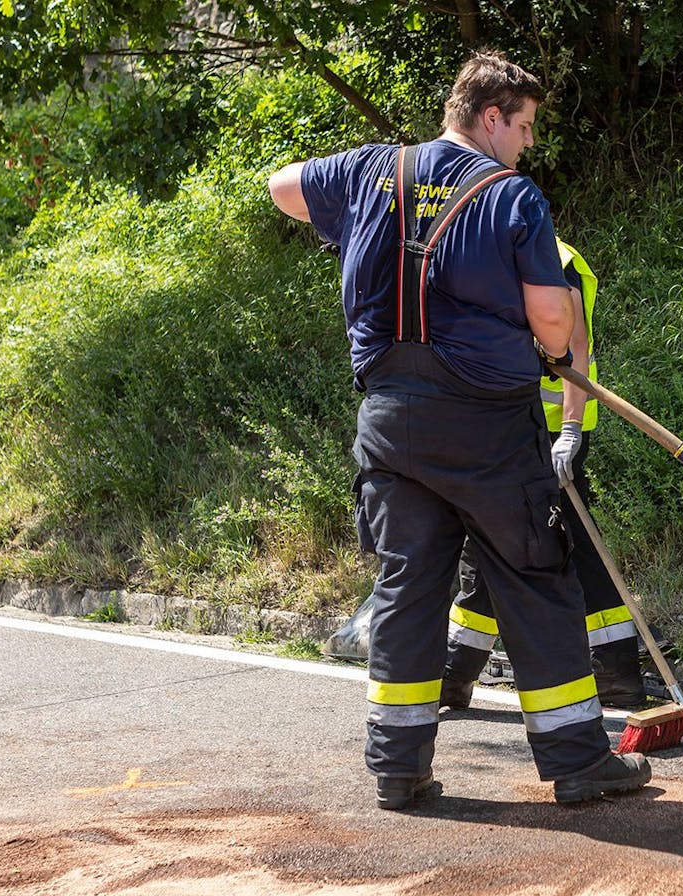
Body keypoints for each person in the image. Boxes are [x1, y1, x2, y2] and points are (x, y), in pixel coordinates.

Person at [266, 50, 650, 809]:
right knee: (534, 575)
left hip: (390, 423)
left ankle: (397, 769)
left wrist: (357, 230)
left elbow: (282, 186)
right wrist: (545, 344)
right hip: (488, 426)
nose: (529, 143)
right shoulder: (513, 198)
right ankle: (578, 760)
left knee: (408, 585)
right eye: (525, 126)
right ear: (490, 117)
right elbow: (551, 318)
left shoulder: (374, 171)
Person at [441, 237, 646, 712]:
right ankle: (457, 671)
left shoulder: (557, 260)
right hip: (505, 426)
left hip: (552, 434)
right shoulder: (482, 252)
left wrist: (570, 432)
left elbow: (577, 347)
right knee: (486, 539)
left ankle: (617, 672)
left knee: (575, 543)